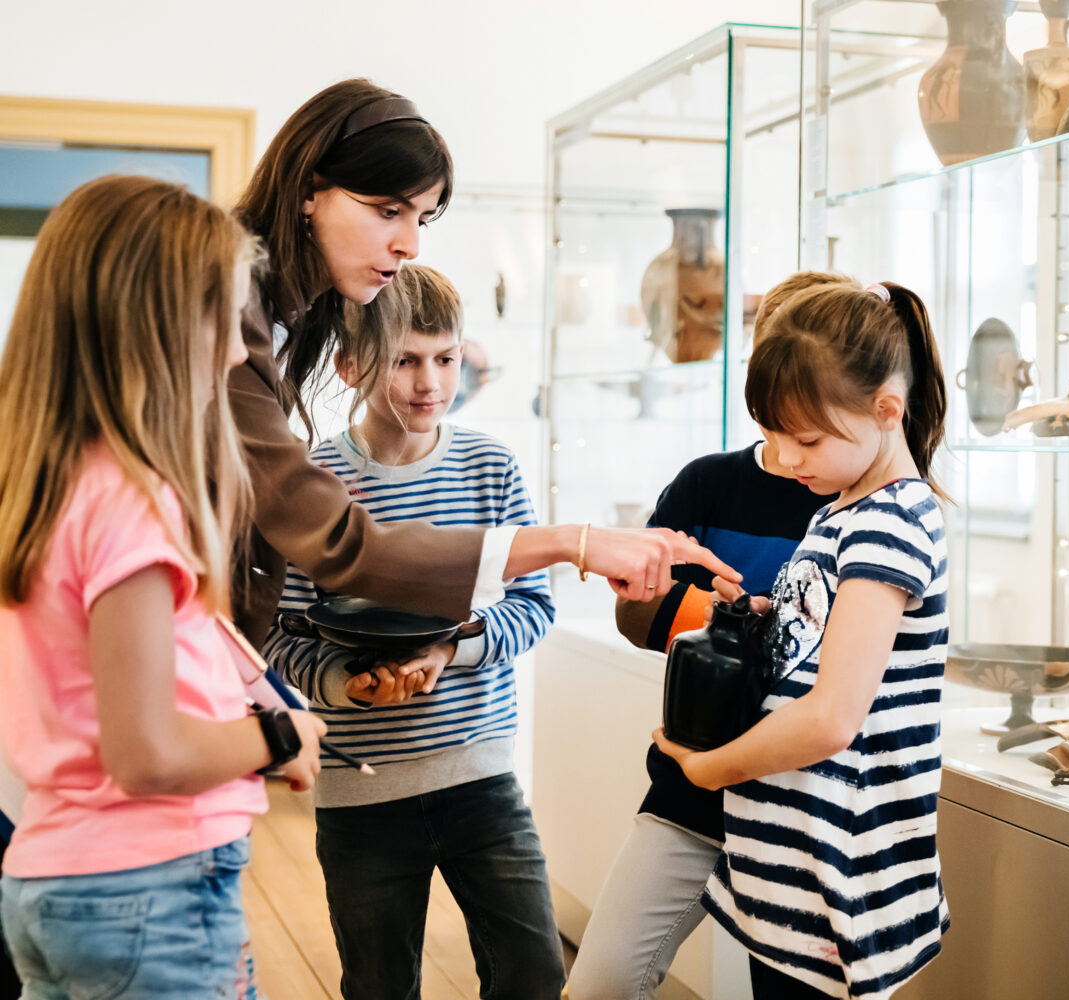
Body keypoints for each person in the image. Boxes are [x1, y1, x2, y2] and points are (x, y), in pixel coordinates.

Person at [229, 77, 736, 647]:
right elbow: (342, 549)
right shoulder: (231, 308)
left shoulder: (271, 314)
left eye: (419, 218)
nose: (409, 245)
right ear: (307, 189)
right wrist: (578, 542)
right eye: (388, 209)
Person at [0, 175, 325, 999]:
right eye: (227, 318)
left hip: (49, 880)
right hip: (152, 885)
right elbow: (148, 753)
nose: (240, 350)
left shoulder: (49, 488)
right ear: (167, 325)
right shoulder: (132, 501)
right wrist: (281, 739)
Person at [263, 264, 561, 1000]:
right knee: (378, 985)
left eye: (447, 358)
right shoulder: (314, 481)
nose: (432, 382)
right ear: (350, 362)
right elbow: (282, 632)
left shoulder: (492, 466)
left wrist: (447, 651)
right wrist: (345, 685)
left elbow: (535, 606)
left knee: (533, 973)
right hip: (360, 801)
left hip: (483, 780)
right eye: (405, 360)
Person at [652, 277, 952, 999]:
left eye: (805, 438)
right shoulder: (843, 508)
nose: (786, 459)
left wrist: (708, 769)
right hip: (795, 867)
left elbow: (832, 717)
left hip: (839, 872)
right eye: (773, 436)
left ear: (887, 410)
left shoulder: (889, 522)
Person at [567, 274, 849, 1000]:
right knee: (601, 981)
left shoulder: (862, 507)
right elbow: (635, 616)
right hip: (693, 788)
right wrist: (730, 621)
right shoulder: (708, 482)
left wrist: (744, 628)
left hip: (802, 805)